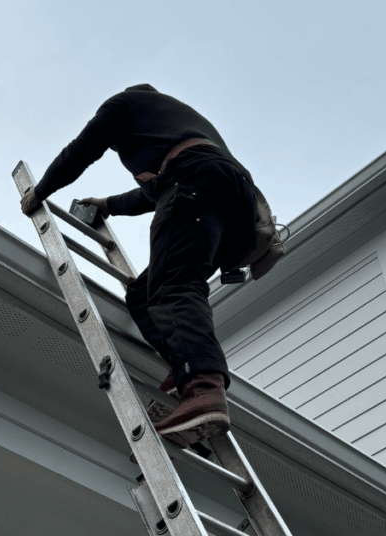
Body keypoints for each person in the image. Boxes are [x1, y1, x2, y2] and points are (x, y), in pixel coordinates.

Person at [20, 84, 257, 444]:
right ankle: (185, 373)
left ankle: (202, 387)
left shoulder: (125, 104)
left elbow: (81, 151)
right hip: (238, 209)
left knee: (173, 285)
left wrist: (39, 192)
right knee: (146, 295)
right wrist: (107, 204)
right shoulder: (172, 127)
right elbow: (152, 193)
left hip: (196, 181)